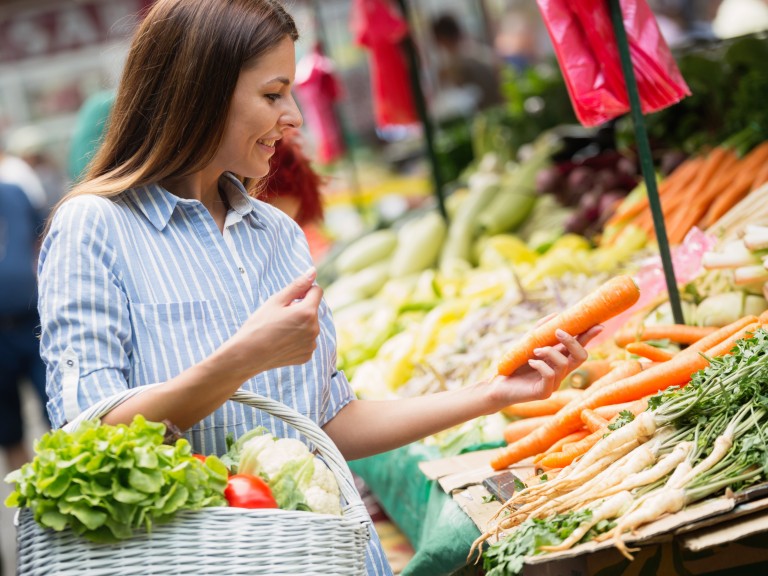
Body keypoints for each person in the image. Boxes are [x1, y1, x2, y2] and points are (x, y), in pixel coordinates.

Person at [37, 1, 601, 574]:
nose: (294, 117)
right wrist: (242, 359)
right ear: (201, 91)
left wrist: (495, 393)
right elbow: (90, 434)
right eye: (273, 94)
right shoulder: (94, 226)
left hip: (329, 557)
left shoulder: (277, 235)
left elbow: (331, 421)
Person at [0, 180, 48, 473]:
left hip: (32, 321)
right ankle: (28, 511)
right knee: (8, 430)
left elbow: (40, 237)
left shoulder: (14, 193)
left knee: (60, 411)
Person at [430, 12, 503, 110]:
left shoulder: (459, 59)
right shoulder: (473, 48)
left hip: (490, 109)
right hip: (496, 105)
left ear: (442, 37)